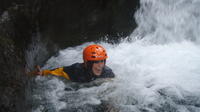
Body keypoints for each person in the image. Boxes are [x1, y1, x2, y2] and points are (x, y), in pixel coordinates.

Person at [32, 44, 115, 82]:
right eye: (96, 62)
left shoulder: (107, 72)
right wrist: (42, 73)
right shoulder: (76, 70)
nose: (101, 65)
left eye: (102, 61)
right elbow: (59, 71)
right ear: (86, 62)